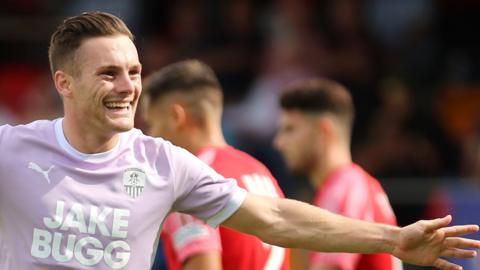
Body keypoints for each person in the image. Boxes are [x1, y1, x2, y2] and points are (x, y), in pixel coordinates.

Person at [0, 11, 479, 270]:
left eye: (134, 72)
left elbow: (272, 216)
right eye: (108, 74)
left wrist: (394, 239)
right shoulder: (12, 151)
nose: (128, 88)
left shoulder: (165, 164)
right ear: (63, 83)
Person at [142, 59, 290, 270]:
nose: (150, 137)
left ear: (176, 117)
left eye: (152, 124)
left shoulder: (192, 181)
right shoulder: (259, 171)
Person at [273, 78, 404, 270]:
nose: (279, 142)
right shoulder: (354, 184)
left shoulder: (344, 188)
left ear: (323, 131)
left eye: (290, 129)